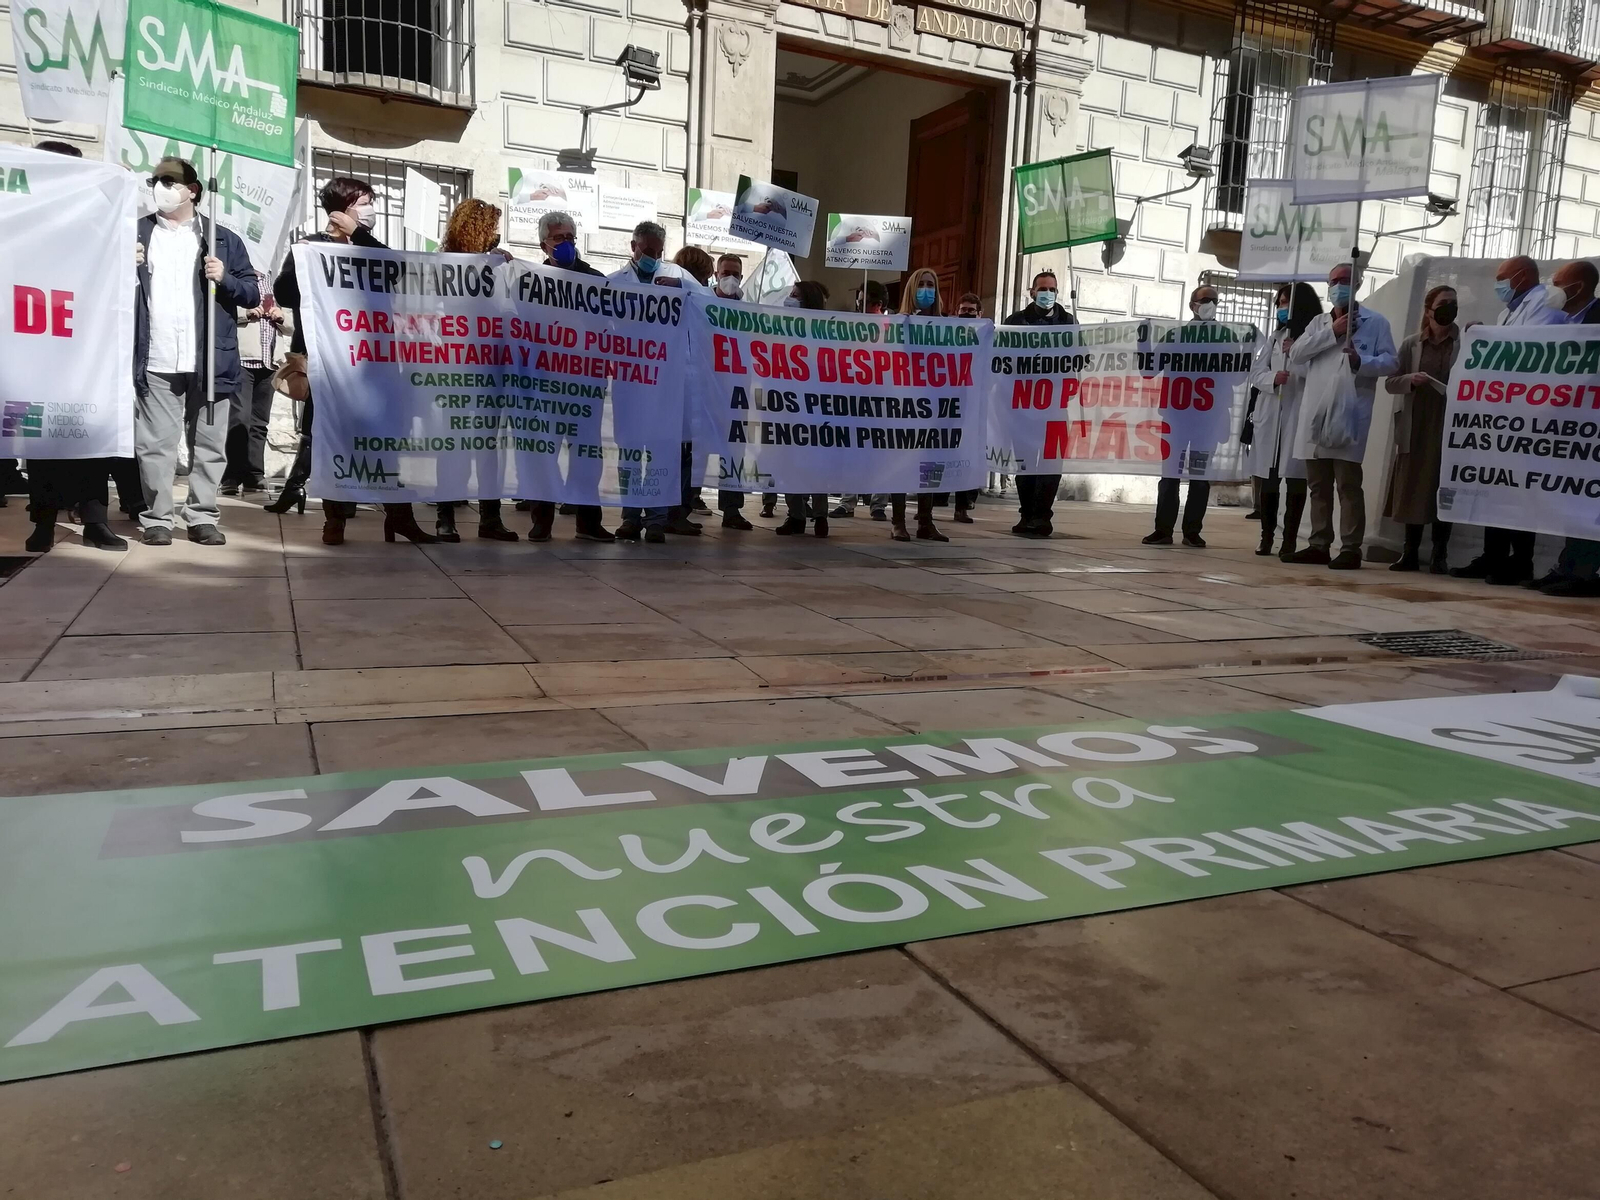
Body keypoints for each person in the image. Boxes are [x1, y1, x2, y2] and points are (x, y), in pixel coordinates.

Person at [271, 177, 436, 544]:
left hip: (375, 366)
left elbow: (395, 270)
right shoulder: (312, 246)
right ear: (342, 206)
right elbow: (283, 294)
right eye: (364, 201)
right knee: (333, 438)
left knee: (389, 440)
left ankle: (399, 516)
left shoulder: (371, 247)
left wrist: (358, 235)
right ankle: (334, 519)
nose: (370, 207)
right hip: (328, 366)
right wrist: (303, 262)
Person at [132, 156, 259, 547]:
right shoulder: (137, 234)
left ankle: (202, 515)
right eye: (156, 180)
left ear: (193, 190)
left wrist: (226, 278)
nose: (161, 187)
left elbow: (253, 291)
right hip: (156, 356)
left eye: (170, 181)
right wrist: (124, 268)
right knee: (155, 445)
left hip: (209, 358)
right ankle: (157, 519)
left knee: (208, 444)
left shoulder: (221, 237)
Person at [22, 139, 128, 553]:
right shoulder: (21, 217)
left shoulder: (98, 218)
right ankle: (43, 520)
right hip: (35, 344)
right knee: (42, 437)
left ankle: (95, 520)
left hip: (87, 345)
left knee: (89, 434)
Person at [1450, 256, 1565, 585]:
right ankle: (1493, 555)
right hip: (1500, 414)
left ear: (1523, 275)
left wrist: (1491, 338)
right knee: (1493, 484)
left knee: (1519, 489)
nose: (1499, 286)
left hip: (1530, 412)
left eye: (1503, 278)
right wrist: (1483, 335)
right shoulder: (1506, 313)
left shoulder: (1544, 302)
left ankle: (1521, 560)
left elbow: (1535, 346)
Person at [1286, 262, 1397, 569]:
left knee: (1347, 484)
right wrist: (1331, 333)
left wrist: (1363, 361)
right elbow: (1296, 354)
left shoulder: (1376, 323)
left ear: (1358, 283)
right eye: (1333, 280)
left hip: (1351, 411)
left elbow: (1390, 362)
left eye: (1345, 280)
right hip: (1316, 411)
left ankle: (1350, 548)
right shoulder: (1319, 323)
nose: (1338, 286)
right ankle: (1319, 543)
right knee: (1318, 485)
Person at [432, 199, 518, 542]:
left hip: (490, 368)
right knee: (451, 444)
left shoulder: (499, 264)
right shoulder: (442, 264)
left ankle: (490, 517)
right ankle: (445, 516)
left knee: (487, 445)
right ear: (477, 229)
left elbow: (507, 310)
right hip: (453, 368)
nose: (497, 234)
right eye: (492, 227)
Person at [608, 222, 698, 542]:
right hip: (631, 380)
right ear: (633, 246)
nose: (653, 257)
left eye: (659, 251)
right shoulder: (614, 282)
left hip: (666, 382)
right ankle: (631, 517)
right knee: (630, 450)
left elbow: (707, 308)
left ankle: (658, 518)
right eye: (647, 250)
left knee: (662, 449)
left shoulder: (680, 277)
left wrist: (682, 291)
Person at [526, 211, 612, 543]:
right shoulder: (531, 280)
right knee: (543, 454)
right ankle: (541, 521)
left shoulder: (593, 279)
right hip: (546, 384)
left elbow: (608, 328)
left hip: (584, 384)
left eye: (570, 238)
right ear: (544, 243)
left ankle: (588, 522)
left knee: (587, 456)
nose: (566, 243)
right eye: (559, 238)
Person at [1530, 260, 1600, 596]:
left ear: (1579, 287)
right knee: (1572, 497)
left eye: (1558, 282)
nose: (1552, 288)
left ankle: (1584, 573)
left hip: (1592, 426)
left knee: (1590, 501)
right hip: (1568, 426)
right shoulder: (1558, 320)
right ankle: (1568, 565)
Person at [1382, 285, 1459, 572]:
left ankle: (1440, 555)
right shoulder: (1412, 344)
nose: (1449, 308)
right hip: (1416, 421)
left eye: (1453, 303)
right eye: (1443, 303)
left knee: (1444, 484)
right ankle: (1410, 552)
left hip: (1449, 422)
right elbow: (1390, 382)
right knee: (1413, 484)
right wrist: (1410, 380)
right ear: (1428, 310)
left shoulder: (1464, 342)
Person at [1144, 284, 1220, 548]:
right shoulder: (1176, 337)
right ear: (1193, 306)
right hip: (1176, 418)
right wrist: (1143, 342)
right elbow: (1148, 371)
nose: (1210, 304)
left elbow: (1238, 378)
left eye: (1214, 300)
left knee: (1199, 478)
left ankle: (1192, 531)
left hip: (1207, 421)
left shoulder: (1226, 339)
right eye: (1205, 300)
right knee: (1170, 475)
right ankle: (1163, 530)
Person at [1246, 283, 1317, 560]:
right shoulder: (1275, 338)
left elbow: (1317, 373)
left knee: (1296, 480)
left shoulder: (1314, 335)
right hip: (1271, 413)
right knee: (1269, 479)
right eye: (1279, 303)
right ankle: (1266, 536)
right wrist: (1272, 379)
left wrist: (1297, 353)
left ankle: (1289, 540)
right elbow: (1257, 372)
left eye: (1286, 302)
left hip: (1297, 412)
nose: (1281, 308)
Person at [1005, 270, 1075, 538]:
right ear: (1032, 292)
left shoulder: (1068, 322)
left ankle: (1043, 517)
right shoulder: (1016, 321)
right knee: (1024, 463)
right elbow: (1001, 355)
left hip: (1055, 406)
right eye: (1042, 289)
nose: (1048, 294)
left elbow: (1081, 357)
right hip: (1022, 406)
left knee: (1051, 462)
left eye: (1052, 289)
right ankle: (1027, 515)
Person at [888, 268, 948, 542]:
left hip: (935, 405)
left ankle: (926, 521)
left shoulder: (947, 326)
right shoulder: (898, 323)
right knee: (901, 462)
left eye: (931, 285)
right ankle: (898, 522)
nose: (927, 290)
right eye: (922, 284)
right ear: (912, 289)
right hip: (903, 404)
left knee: (930, 464)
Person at [775, 280, 832, 538]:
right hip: (789, 404)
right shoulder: (782, 328)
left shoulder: (827, 331)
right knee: (791, 462)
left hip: (818, 407)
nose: (790, 298)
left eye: (795, 295)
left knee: (817, 464)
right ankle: (796, 515)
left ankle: (820, 516)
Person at [221, 272, 284, 496]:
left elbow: (296, 318)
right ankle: (231, 475)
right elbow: (221, 310)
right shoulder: (238, 278)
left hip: (270, 362)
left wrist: (282, 316)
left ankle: (254, 474)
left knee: (260, 422)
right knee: (239, 418)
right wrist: (246, 313)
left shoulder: (276, 281)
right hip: (244, 360)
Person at [672, 245, 718, 524]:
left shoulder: (674, 289)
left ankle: (670, 510)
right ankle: (677, 511)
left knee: (680, 453)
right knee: (687, 455)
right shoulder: (701, 296)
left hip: (676, 387)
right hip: (691, 388)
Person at [710, 252, 756, 530]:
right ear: (716, 275)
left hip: (737, 389)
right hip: (705, 388)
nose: (731, 278)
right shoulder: (702, 303)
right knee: (694, 449)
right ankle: (683, 507)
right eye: (726, 272)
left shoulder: (749, 307)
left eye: (736, 274)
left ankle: (731, 510)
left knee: (733, 450)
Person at [952, 291, 984, 523]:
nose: (966, 314)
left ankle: (962, 505)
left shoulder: (986, 336)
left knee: (967, 454)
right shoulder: (948, 334)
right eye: (963, 310)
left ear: (979, 314)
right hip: (949, 402)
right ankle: (929, 505)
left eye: (971, 311)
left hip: (974, 404)